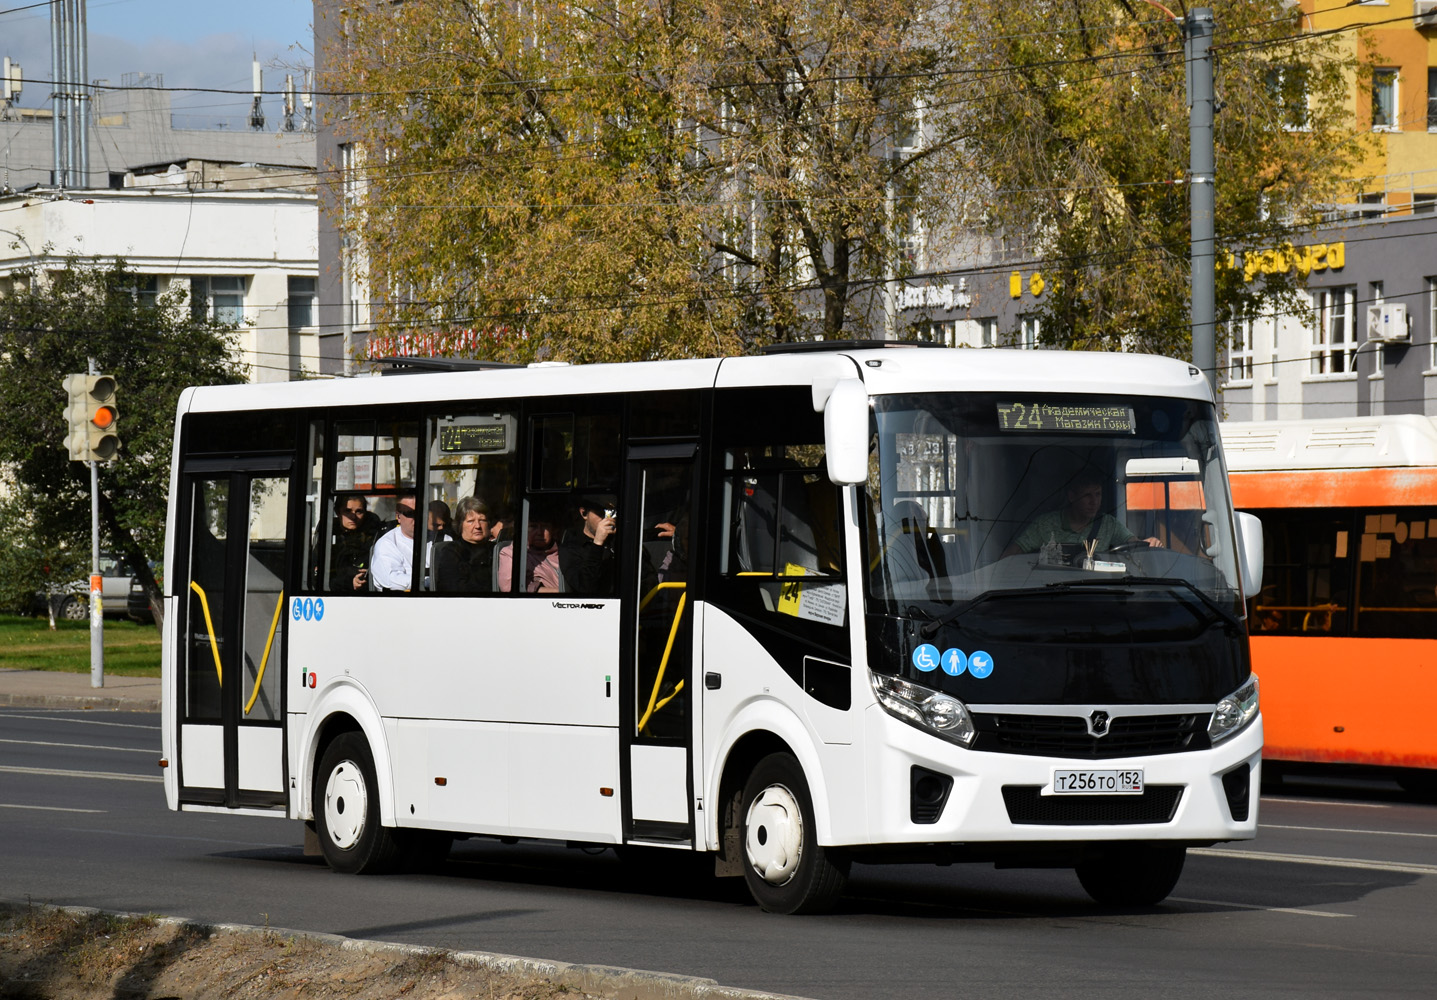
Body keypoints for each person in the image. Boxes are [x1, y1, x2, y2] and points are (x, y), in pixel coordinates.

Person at [1004, 468, 1163, 557]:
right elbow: (1011, 555)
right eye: (1087, 495)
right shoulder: (1045, 524)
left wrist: (1147, 543)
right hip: (1052, 593)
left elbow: (1132, 543)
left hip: (1095, 594)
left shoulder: (1108, 524)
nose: (1094, 501)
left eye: (1098, 494)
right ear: (1072, 497)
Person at [561, 493, 618, 596]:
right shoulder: (571, 548)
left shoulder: (618, 540)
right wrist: (598, 543)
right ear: (584, 513)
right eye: (600, 513)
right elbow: (586, 588)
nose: (606, 519)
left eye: (610, 513)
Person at [433, 497, 494, 593]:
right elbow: (453, 588)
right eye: (470, 521)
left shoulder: (498, 551)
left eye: (482, 520)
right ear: (460, 525)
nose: (477, 526)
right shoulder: (451, 553)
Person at [497, 508, 562, 592]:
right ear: (524, 529)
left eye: (545, 526)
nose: (539, 532)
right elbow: (509, 588)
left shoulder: (564, 551)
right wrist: (557, 592)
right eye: (533, 526)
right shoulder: (512, 553)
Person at [325, 495, 381, 592]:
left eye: (359, 511)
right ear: (338, 512)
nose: (353, 517)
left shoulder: (376, 539)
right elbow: (318, 578)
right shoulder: (327, 536)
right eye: (347, 511)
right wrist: (350, 581)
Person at [370, 495, 417, 591]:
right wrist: (428, 581)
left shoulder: (440, 539)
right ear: (398, 516)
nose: (416, 518)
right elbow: (392, 580)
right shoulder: (387, 544)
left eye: (421, 512)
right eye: (410, 513)